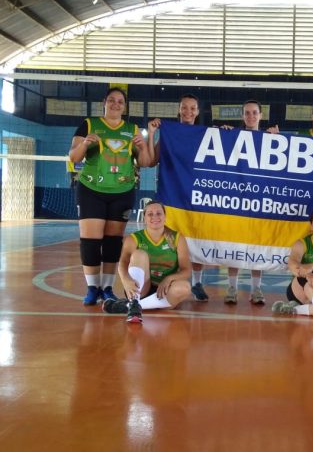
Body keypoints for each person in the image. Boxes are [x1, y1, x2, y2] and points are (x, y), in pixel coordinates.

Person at [69, 87, 152, 306]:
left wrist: (143, 147)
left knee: (113, 243)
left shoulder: (132, 129)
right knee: (90, 241)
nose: (116, 104)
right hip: (91, 190)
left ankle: (107, 288)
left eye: (120, 102)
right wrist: (85, 143)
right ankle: (92, 288)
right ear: (104, 102)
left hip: (122, 192)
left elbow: (144, 162)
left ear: (125, 107)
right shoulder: (89, 124)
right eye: (112, 100)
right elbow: (74, 157)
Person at [146, 94, 210, 302]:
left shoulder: (205, 135)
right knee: (170, 238)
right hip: (172, 194)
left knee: (197, 237)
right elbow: (152, 160)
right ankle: (163, 279)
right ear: (179, 110)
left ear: (197, 112)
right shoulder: (169, 133)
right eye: (184, 107)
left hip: (197, 195)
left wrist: (227, 133)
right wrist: (152, 134)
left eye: (192, 108)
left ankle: (197, 282)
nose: (188, 112)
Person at [224, 100, 277, 305]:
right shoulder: (233, 137)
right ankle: (232, 287)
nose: (251, 116)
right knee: (234, 245)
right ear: (242, 116)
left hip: (258, 201)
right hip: (237, 200)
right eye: (247, 113)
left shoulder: (269, 139)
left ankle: (256, 288)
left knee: (257, 246)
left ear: (261, 115)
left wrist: (277, 139)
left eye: (255, 112)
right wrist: (224, 134)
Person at [103, 201, 192, 323]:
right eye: (150, 214)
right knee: (139, 254)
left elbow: (186, 270)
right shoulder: (134, 238)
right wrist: (126, 281)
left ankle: (130, 306)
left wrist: (169, 279)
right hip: (140, 287)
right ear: (144, 218)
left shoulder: (177, 238)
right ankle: (135, 300)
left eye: (158, 213)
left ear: (165, 217)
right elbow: (122, 264)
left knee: (185, 288)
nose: (155, 217)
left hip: (165, 290)